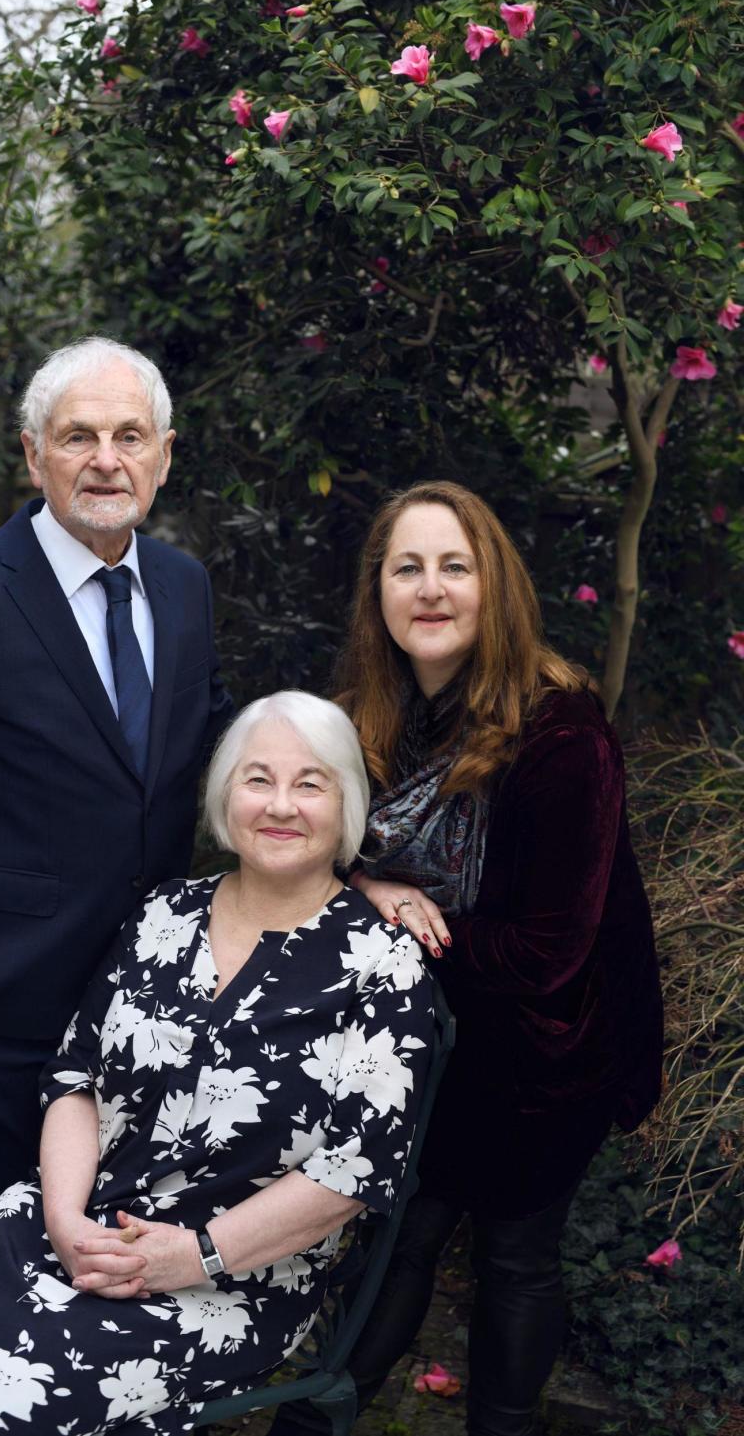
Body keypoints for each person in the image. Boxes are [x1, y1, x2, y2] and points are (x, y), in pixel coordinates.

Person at [0, 692, 436, 1436]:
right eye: (258, 778)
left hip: (234, 1276)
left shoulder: (381, 964)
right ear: (224, 796)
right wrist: (61, 1219)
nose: (281, 804)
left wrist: (193, 1256)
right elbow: (74, 1076)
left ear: (347, 805)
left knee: (7, 1403)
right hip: (81, 1220)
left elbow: (354, 1172)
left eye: (311, 782)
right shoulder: (165, 913)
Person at [271, 481, 663, 1436]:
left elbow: (548, 951)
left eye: (457, 565)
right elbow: (299, 851)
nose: (432, 588)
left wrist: (400, 929)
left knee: (516, 1254)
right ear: (380, 595)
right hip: (425, 1042)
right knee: (399, 1242)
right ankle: (308, 1425)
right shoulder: (367, 720)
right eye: (408, 567)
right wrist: (365, 889)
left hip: (548, 1046)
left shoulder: (562, 730)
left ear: (495, 588)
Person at [0, 336, 232, 1240]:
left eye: (129, 436)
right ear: (34, 455)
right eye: (78, 437)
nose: (106, 460)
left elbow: (211, 752)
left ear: (164, 454)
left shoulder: (184, 587)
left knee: (110, 1273)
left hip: (145, 1010)